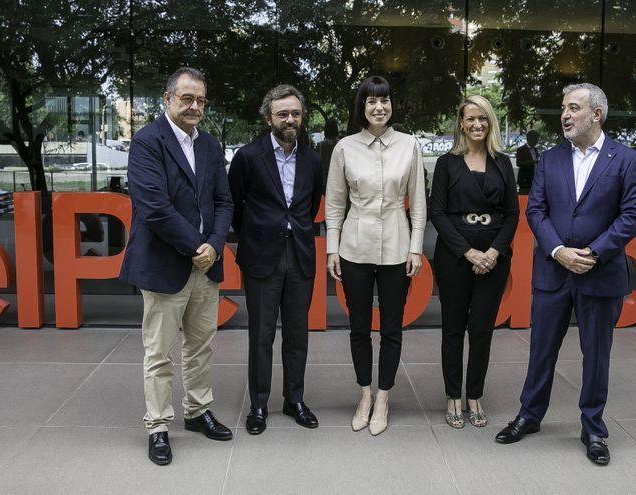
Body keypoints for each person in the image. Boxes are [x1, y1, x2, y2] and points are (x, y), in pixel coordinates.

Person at [495, 83, 636, 466]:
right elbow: (536, 211)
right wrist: (560, 251)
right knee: (541, 350)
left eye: (574, 108)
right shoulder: (550, 159)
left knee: (596, 355)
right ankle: (529, 416)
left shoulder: (625, 159)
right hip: (553, 271)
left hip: (601, 273)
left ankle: (593, 427)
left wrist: (592, 253)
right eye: (563, 108)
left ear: (596, 114)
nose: (564, 114)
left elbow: (632, 215)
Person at [119, 67, 235, 466]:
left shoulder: (210, 145)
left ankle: (198, 411)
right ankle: (158, 426)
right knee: (160, 352)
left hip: (206, 265)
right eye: (187, 98)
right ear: (167, 99)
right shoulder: (147, 142)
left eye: (201, 99)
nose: (195, 106)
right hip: (166, 265)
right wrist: (197, 247)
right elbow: (154, 208)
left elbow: (224, 202)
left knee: (201, 345)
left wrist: (215, 246)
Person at [325, 75, 427, 436]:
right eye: (371, 101)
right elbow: (335, 203)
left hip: (398, 248)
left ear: (391, 105)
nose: (379, 107)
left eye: (384, 100)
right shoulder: (345, 148)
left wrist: (416, 247)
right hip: (354, 247)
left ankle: (384, 397)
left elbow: (418, 203)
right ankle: (364, 394)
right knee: (358, 328)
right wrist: (332, 249)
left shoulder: (409, 145)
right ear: (362, 107)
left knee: (392, 328)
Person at [228, 84, 323, 435]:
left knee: (297, 334)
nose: (290, 119)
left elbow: (310, 207)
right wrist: (257, 233)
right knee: (261, 335)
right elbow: (235, 206)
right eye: (282, 113)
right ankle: (258, 404)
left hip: (299, 255)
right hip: (262, 257)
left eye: (295, 113)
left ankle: (294, 399)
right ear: (268, 116)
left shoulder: (313, 159)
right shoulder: (248, 157)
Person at [430, 95, 519, 429]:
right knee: (453, 328)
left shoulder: (502, 162)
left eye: (483, 118)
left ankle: (474, 395)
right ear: (461, 123)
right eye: (470, 119)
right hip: (455, 255)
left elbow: (512, 213)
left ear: (490, 121)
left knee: (482, 330)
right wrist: (468, 253)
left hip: (494, 258)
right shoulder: (446, 163)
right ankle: (453, 394)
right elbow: (436, 212)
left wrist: (493, 253)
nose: (477, 124)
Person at [515, 130, 540, 194]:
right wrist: (532, 162)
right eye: (536, 139)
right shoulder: (521, 149)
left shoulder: (535, 149)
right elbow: (518, 163)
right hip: (525, 181)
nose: (537, 141)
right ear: (530, 139)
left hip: (534, 179)